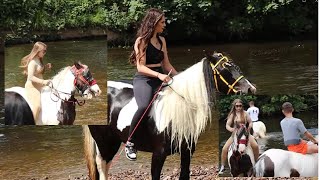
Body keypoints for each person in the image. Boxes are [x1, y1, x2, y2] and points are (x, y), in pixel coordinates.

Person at [126, 8, 178, 161]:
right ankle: (130, 142)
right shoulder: (141, 41)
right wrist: (159, 75)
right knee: (144, 107)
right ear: (154, 23)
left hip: (161, 77)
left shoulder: (162, 41)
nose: (164, 25)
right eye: (162, 22)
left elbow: (167, 65)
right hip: (144, 79)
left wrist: (180, 77)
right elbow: (140, 67)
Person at [218, 99, 259, 174]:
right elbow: (227, 125)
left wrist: (249, 127)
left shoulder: (246, 113)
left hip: (246, 134)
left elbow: (250, 122)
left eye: (240, 106)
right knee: (224, 149)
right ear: (234, 106)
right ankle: (223, 166)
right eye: (237, 106)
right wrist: (232, 129)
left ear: (242, 106)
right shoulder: (232, 115)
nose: (239, 107)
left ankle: (257, 163)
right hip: (235, 135)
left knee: (255, 146)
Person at [20, 42, 52, 124]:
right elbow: (30, 77)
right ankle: (32, 123)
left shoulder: (39, 60)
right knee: (37, 106)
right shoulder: (32, 62)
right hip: (32, 87)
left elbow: (38, 72)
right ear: (37, 51)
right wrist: (44, 81)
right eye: (43, 51)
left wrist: (45, 67)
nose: (45, 53)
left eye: (45, 51)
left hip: (40, 86)